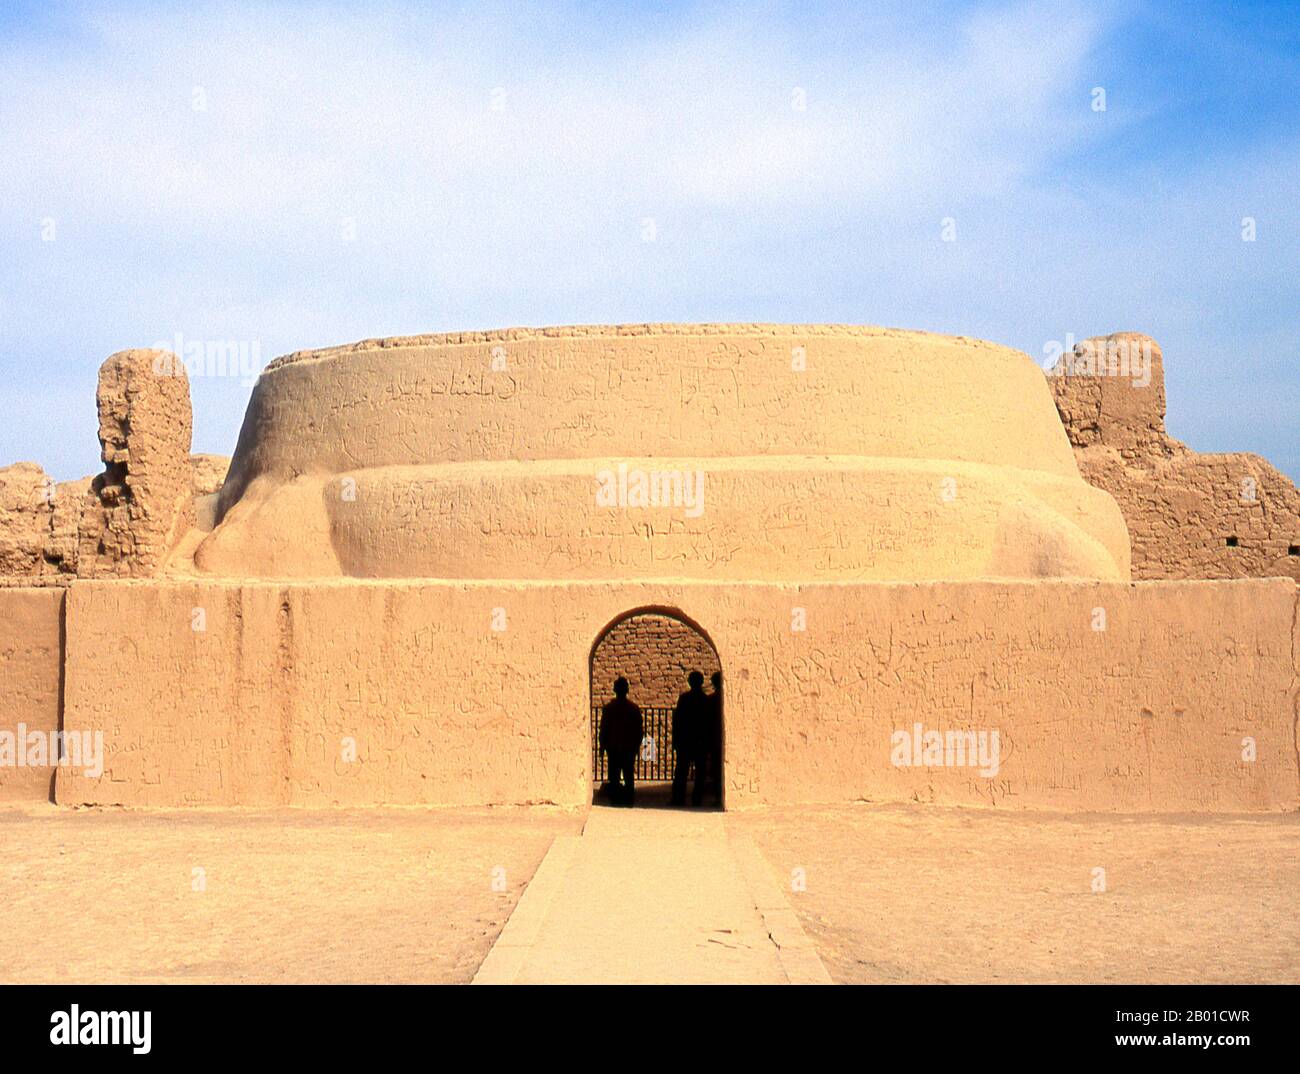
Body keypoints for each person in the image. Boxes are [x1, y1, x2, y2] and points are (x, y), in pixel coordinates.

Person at [599, 677, 643, 806]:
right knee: (629, 775)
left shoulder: (609, 709)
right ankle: (629, 800)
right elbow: (639, 731)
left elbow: (604, 728)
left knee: (614, 775)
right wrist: (636, 746)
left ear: (615, 690)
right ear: (627, 690)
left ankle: (616, 800)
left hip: (614, 747)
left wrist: (603, 745)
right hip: (628, 747)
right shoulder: (633, 709)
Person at [671, 670, 710, 806]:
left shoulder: (684, 699)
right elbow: (708, 722)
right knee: (699, 773)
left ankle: (678, 798)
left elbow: (677, 720)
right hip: (700, 740)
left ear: (689, 682)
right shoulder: (705, 700)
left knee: (682, 771)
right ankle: (697, 798)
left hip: (685, 740)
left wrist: (676, 739)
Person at [706, 670, 723, 805]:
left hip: (712, 739)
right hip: (717, 739)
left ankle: (718, 796)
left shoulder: (710, 700)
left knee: (716, 771)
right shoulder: (713, 699)